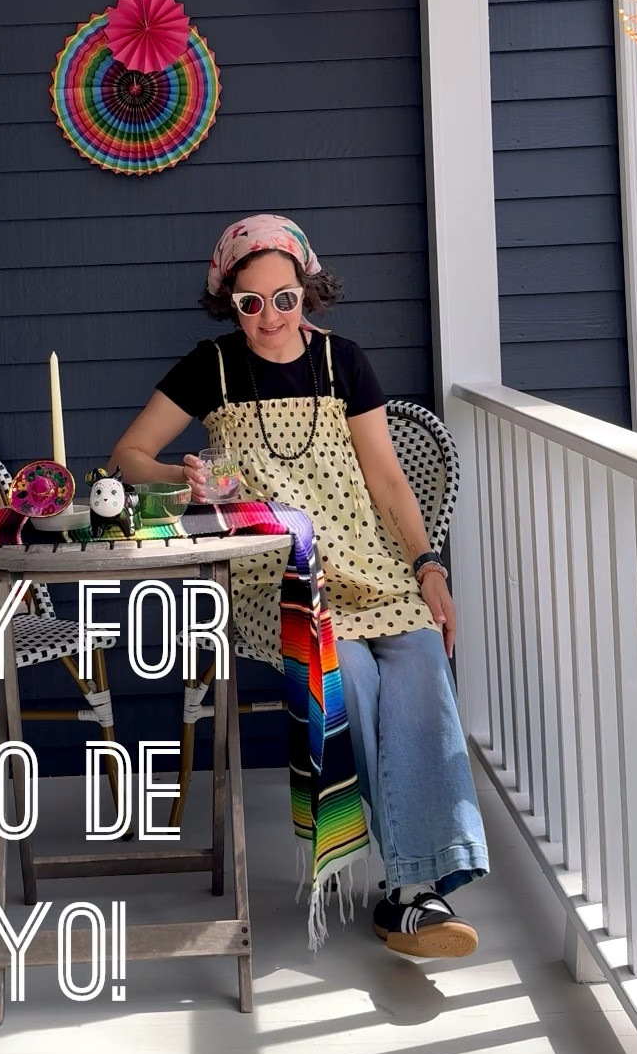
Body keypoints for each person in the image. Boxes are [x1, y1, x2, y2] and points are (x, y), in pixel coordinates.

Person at [110, 213, 488, 959]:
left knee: (420, 663)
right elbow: (129, 456)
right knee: (347, 675)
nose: (270, 319)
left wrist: (428, 566)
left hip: (370, 565)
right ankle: (411, 890)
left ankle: (413, 889)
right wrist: (178, 478)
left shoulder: (344, 361)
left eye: (285, 299)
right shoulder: (210, 367)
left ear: (308, 290)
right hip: (273, 572)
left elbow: (387, 479)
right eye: (250, 304)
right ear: (229, 302)